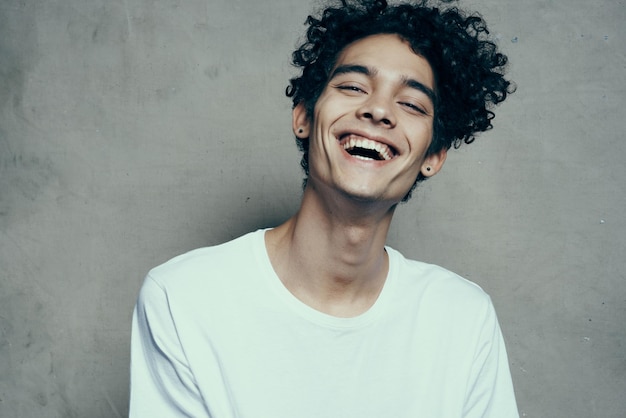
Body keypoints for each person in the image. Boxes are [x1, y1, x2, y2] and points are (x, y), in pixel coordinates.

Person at [129, 0, 518, 416]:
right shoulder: (183, 298)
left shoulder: (463, 318)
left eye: (411, 104)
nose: (379, 110)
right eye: (352, 87)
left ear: (434, 155)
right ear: (303, 116)